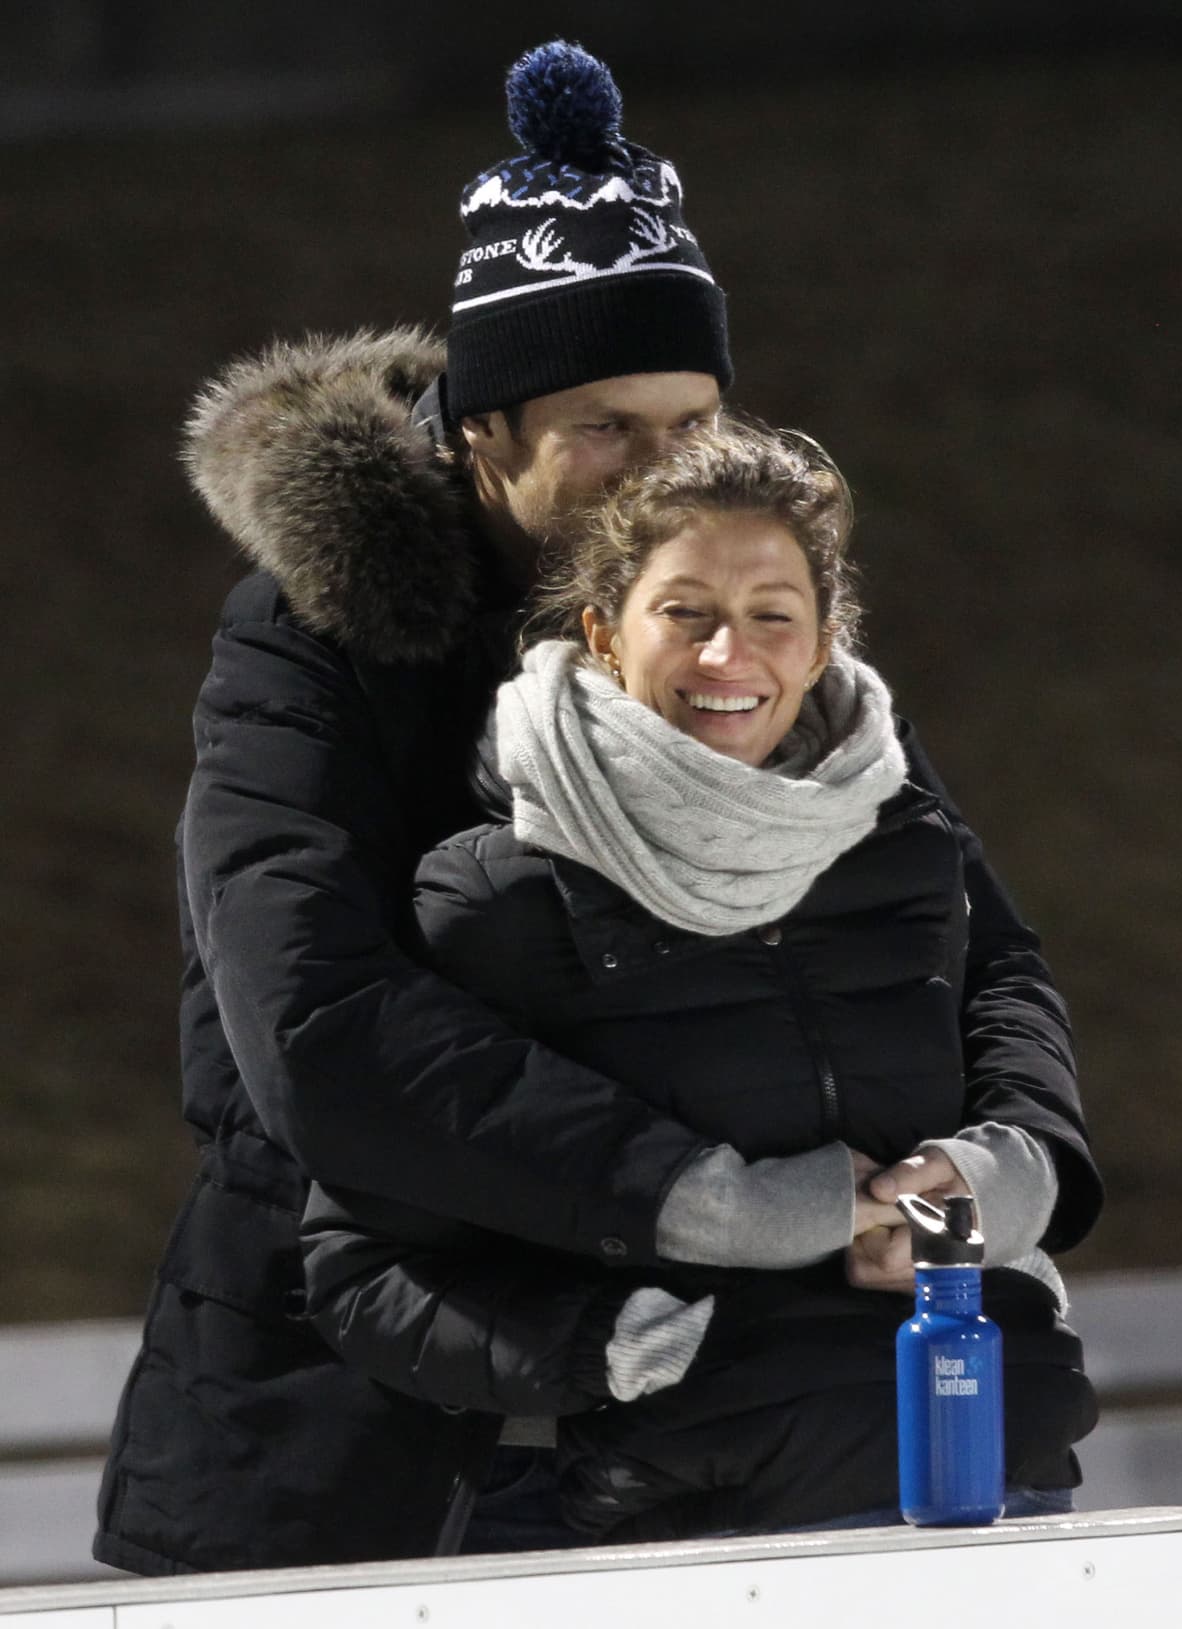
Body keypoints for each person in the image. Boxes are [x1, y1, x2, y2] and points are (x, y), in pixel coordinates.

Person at [94, 43, 1098, 1575]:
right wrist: (697, 1196)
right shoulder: (315, 642)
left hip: (710, 1425)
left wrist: (1004, 1159)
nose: (664, 466)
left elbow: (976, 945)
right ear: (481, 433)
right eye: (605, 429)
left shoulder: (733, 637)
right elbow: (310, 1022)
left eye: (692, 418)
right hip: (358, 1428)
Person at [299, 419, 1099, 1544]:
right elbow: (361, 1273)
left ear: (821, 647)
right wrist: (616, 1346)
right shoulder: (494, 899)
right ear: (603, 634)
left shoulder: (903, 843)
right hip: (699, 1535)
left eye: (772, 617)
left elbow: (1015, 1036)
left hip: (1003, 1487)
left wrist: (1004, 1178)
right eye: (685, 614)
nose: (730, 658)